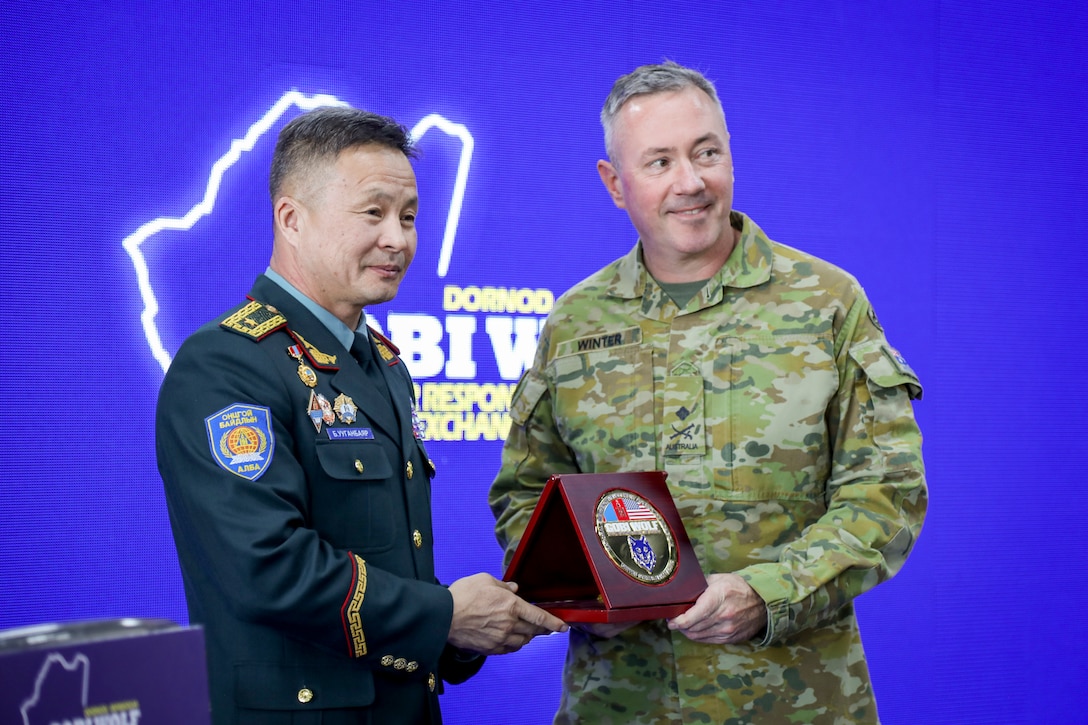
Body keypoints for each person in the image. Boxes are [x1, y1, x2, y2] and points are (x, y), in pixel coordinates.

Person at [489, 61, 926, 724]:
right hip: (621, 704)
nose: (690, 182)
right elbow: (527, 493)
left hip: (794, 703)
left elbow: (887, 496)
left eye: (706, 153)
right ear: (615, 184)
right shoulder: (575, 323)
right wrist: (579, 593)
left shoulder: (828, 304)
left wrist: (770, 592)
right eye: (659, 161)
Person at [157, 106, 567, 725]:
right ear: (291, 219)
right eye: (373, 213)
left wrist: (459, 631)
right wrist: (445, 615)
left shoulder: (379, 361)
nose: (398, 239)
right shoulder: (224, 365)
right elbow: (269, 568)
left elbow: (387, 558)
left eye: (408, 217)